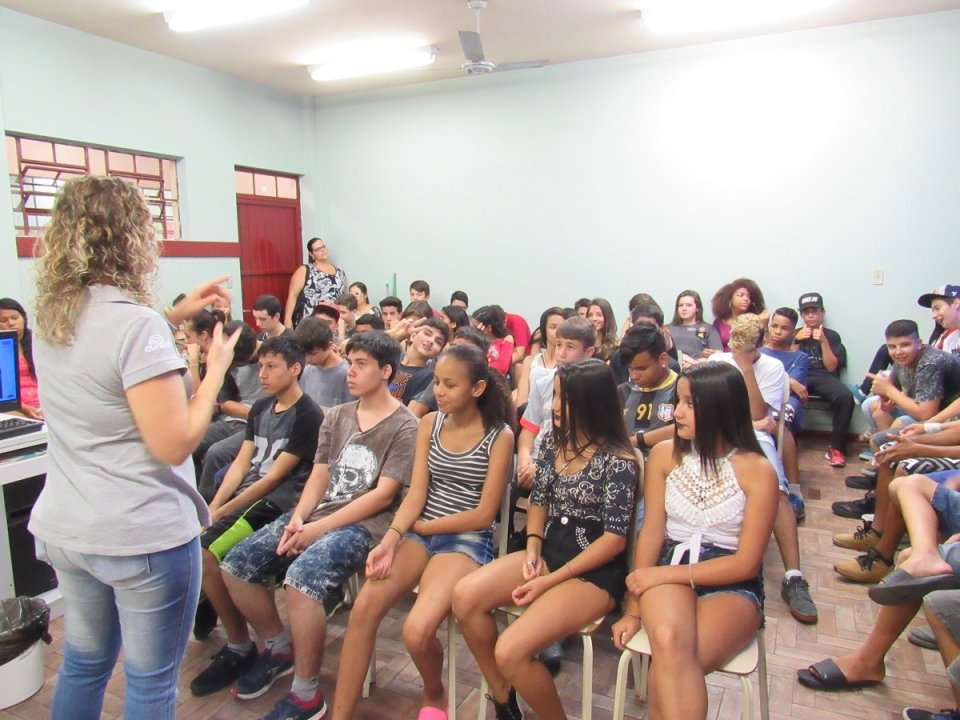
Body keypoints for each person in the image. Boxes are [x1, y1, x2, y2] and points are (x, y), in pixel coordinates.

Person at [27, 175, 241, 720]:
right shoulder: (135, 324)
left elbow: (105, 358)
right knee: (149, 684)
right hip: (137, 533)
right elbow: (174, 444)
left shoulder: (52, 316)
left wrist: (170, 318)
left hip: (70, 526)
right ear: (132, 238)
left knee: (84, 661)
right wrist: (214, 371)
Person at [219, 331, 418, 719]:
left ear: (386, 371)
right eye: (351, 362)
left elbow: (381, 496)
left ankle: (307, 692)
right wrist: (299, 518)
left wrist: (318, 530)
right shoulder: (338, 415)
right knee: (237, 564)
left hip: (366, 525)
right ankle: (278, 648)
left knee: (302, 577)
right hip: (318, 514)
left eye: (362, 365)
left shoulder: (405, 425)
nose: (351, 371)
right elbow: (319, 476)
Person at [330, 344, 515, 719]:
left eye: (451, 385)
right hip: (419, 532)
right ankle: (339, 714)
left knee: (416, 630)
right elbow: (417, 491)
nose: (440, 392)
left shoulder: (500, 435)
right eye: (438, 383)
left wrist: (426, 525)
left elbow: (483, 515)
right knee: (363, 608)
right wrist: (391, 539)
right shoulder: (430, 423)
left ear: (477, 389)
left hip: (464, 540)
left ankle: (434, 694)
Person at [453, 359, 638, 720]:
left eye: (565, 399)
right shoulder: (555, 440)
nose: (554, 406)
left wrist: (549, 581)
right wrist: (533, 547)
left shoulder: (619, 460)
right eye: (554, 396)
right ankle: (503, 694)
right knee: (463, 596)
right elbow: (539, 500)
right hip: (549, 550)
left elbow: (614, 541)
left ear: (593, 404)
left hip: (592, 571)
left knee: (510, 650)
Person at [612, 362, 778, 720]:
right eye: (678, 401)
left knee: (669, 667)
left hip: (731, 581)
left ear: (720, 407)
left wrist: (660, 576)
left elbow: (746, 563)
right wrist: (633, 610)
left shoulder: (758, 469)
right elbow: (652, 534)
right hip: (671, 561)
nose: (677, 412)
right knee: (670, 642)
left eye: (689, 403)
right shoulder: (664, 455)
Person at [189, 337, 323, 695]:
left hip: (276, 503)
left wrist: (220, 511)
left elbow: (275, 478)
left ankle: (260, 646)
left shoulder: (309, 415)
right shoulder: (262, 407)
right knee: (200, 548)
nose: (261, 374)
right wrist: (213, 506)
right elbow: (242, 463)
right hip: (248, 495)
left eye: (271, 366)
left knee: (210, 553)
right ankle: (240, 643)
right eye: (260, 366)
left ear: (295, 369)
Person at [711, 314, 818, 624]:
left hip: (754, 436)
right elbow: (711, 410)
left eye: (743, 349)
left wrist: (745, 368)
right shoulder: (719, 361)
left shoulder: (772, 368)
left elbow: (759, 414)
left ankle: (794, 577)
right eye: (733, 346)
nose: (735, 352)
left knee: (777, 492)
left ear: (758, 346)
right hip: (718, 434)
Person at [791, 292, 854, 468]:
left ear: (822, 312)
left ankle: (837, 448)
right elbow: (787, 364)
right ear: (801, 315)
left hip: (822, 376)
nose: (810, 315)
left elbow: (832, 367)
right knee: (778, 392)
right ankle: (785, 443)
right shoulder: (793, 333)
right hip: (797, 376)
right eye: (806, 312)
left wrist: (824, 342)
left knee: (845, 397)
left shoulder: (832, 336)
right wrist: (796, 341)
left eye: (814, 311)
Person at [762, 307, 809, 487]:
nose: (777, 331)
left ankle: (793, 485)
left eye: (784, 328)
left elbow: (795, 389)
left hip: (787, 400)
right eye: (774, 326)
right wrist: (788, 379)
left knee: (778, 422)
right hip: (763, 397)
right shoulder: (759, 351)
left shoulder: (799, 357)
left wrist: (787, 381)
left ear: (793, 331)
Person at [617, 322, 679, 454]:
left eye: (641, 368)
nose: (634, 376)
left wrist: (638, 440)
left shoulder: (682, 388)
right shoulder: (622, 392)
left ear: (663, 359)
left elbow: (693, 427)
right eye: (630, 368)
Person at [515, 307, 571, 408]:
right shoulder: (530, 361)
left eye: (562, 327)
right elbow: (521, 399)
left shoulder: (569, 362)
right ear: (544, 330)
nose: (558, 332)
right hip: (529, 417)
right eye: (553, 327)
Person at [285, 237, 346, 328]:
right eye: (318, 249)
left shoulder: (340, 272)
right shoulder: (305, 270)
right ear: (312, 254)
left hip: (333, 322)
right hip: (310, 321)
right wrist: (287, 319)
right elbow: (293, 295)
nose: (322, 250)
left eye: (323, 247)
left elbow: (344, 296)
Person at [294, 317, 353, 411]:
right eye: (304, 354)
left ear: (329, 345)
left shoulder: (347, 374)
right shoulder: (307, 371)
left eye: (313, 354)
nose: (308, 359)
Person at [390, 318, 449, 404]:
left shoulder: (430, 377)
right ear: (413, 336)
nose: (431, 341)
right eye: (427, 334)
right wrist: (392, 335)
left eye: (438, 342)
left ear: (439, 352)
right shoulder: (390, 360)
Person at [0, 297, 41, 419]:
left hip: (44, 402)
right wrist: (24, 407)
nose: (11, 323)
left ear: (23, 318)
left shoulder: (37, 341)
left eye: (15, 318)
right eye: (3, 320)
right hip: (14, 407)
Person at [665, 290, 723, 365]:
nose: (684, 308)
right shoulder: (667, 329)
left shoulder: (708, 329)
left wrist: (695, 362)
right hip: (672, 368)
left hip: (698, 370)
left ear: (697, 308)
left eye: (689, 305)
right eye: (680, 305)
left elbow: (719, 355)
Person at [710, 278, 766, 351]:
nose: (746, 299)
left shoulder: (756, 320)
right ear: (730, 299)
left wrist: (763, 324)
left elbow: (762, 345)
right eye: (741, 295)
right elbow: (714, 345)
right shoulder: (719, 322)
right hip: (723, 360)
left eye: (749, 297)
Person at [472, 305, 516, 375]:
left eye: (475, 327)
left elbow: (501, 367)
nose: (472, 329)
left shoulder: (506, 339)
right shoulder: (475, 340)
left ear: (489, 327)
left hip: (493, 379)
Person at [920, 284, 960, 357]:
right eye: (933, 310)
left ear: (956, 304)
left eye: (937, 308)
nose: (933, 316)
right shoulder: (950, 339)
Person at [588, 297, 618, 362]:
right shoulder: (584, 344)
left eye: (599, 315)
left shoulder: (614, 347)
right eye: (590, 315)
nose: (594, 318)